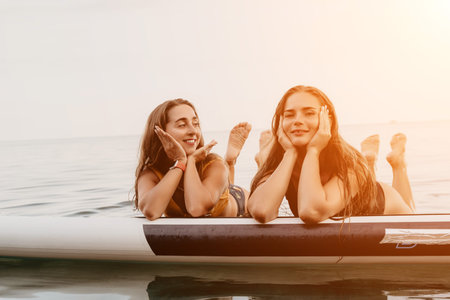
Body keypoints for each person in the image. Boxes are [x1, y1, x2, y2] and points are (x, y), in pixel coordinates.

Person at [248, 85, 414, 224]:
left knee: (411, 211)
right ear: (280, 123)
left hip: (390, 211)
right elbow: (262, 211)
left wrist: (313, 150)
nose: (297, 120)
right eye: (289, 115)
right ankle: (388, 162)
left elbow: (310, 211)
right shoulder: (280, 164)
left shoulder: (352, 166)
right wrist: (290, 153)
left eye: (309, 113)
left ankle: (398, 165)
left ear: (328, 121)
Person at [134, 98, 251, 220]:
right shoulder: (151, 173)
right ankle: (230, 164)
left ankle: (230, 161)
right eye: (182, 125)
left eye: (195, 124)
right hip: (214, 188)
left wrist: (191, 161)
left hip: (239, 202)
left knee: (229, 184)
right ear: (160, 132)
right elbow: (151, 211)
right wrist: (180, 162)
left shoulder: (214, 163)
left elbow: (197, 208)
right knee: (223, 183)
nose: (193, 131)